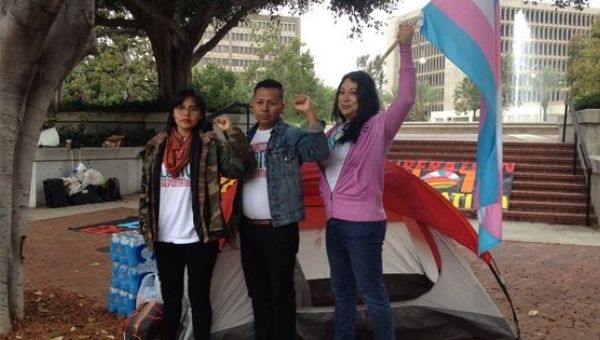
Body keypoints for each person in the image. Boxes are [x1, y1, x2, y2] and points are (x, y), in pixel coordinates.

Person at [319, 24, 416, 340]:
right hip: (334, 224)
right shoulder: (333, 133)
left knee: (372, 292)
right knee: (342, 292)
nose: (346, 97)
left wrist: (405, 47)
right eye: (342, 91)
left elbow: (406, 98)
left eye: (354, 92)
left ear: (366, 97)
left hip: (364, 226)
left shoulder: (378, 126)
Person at [138, 87, 256, 340]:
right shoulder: (156, 146)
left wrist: (231, 133)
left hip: (200, 236)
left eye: (192, 108)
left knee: (199, 299)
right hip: (164, 236)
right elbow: (146, 191)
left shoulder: (209, 145)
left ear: (200, 114)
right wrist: (144, 225)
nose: (186, 113)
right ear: (173, 112)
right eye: (181, 107)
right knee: (171, 301)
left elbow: (242, 168)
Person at [240, 79, 329, 340]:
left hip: (280, 229)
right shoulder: (245, 138)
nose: (264, 108)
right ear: (252, 104)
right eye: (259, 102)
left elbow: (320, 151)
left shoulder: (291, 136)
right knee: (258, 292)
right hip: (249, 229)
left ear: (281, 106)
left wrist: (309, 113)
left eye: (271, 103)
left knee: (281, 293)